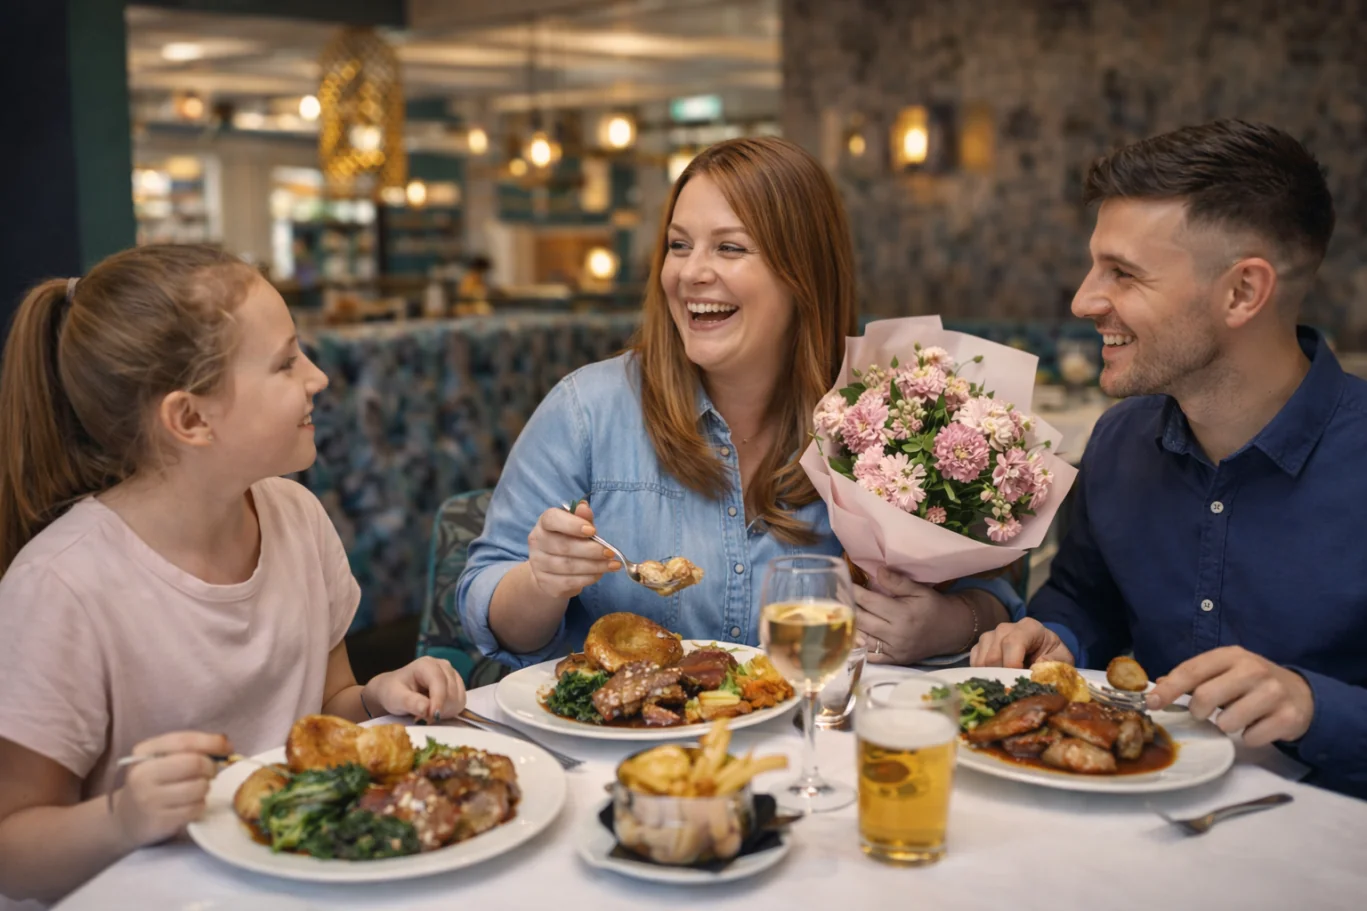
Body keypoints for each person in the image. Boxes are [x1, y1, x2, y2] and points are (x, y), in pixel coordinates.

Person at [0, 245, 467, 903]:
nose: (318, 377)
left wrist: (377, 697)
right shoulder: (59, 588)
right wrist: (121, 817)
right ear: (189, 418)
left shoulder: (297, 516)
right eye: (285, 362)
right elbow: (13, 851)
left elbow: (326, 708)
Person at [457, 137, 1019, 668]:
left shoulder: (890, 420)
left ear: (803, 272)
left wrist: (947, 623)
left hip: (824, 753)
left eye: (730, 247)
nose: (691, 272)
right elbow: (488, 611)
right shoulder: (587, 409)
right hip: (632, 754)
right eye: (679, 245)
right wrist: (542, 581)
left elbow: (994, 595)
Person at [971, 120, 1367, 799]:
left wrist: (1311, 703)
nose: (1083, 300)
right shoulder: (1119, 438)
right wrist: (1057, 636)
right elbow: (1083, 596)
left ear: (1242, 292)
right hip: (1136, 824)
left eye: (1122, 273)